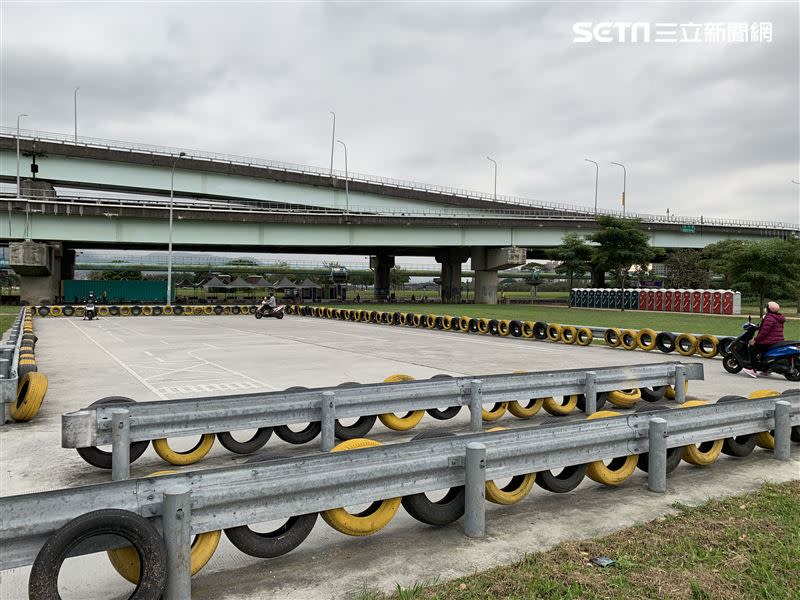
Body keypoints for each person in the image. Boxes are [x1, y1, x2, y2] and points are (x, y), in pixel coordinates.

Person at [744, 301, 785, 378]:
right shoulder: (779, 317)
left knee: (752, 348)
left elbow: (764, 333)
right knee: (764, 352)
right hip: (778, 340)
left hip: (769, 341)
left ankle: (753, 369)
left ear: (769, 309)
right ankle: (765, 369)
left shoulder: (769, 318)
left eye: (766, 307)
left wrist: (755, 340)